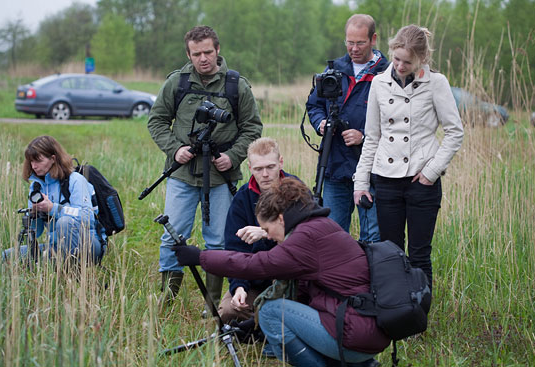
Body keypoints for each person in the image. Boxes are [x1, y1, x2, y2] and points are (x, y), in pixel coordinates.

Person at [172, 178, 388, 366]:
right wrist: (253, 325)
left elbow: (256, 264)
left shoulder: (305, 238)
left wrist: (201, 257)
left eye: (267, 229)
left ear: (282, 219)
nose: (269, 236)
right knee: (269, 313)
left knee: (270, 312)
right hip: (365, 332)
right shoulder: (320, 226)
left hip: (355, 337)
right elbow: (302, 293)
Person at [148, 25, 262, 307]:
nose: (203, 58)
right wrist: (175, 150)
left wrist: (233, 156)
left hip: (221, 175)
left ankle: (212, 303)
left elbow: (252, 128)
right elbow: (156, 121)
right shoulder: (177, 82)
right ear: (188, 54)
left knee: (219, 240)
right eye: (196, 53)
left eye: (208, 52)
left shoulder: (236, 85)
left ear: (218, 50)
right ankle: (167, 297)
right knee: (172, 234)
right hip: (182, 174)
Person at [353, 25, 464, 287]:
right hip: (386, 180)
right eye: (397, 58)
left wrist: (431, 171)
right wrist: (360, 182)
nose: (400, 66)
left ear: (421, 59)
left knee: (419, 255)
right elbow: (373, 137)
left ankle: (418, 315)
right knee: (391, 254)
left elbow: (454, 132)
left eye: (408, 61)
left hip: (421, 181)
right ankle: (396, 315)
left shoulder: (436, 83)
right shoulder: (379, 83)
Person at [306, 14, 388, 240]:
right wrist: (320, 123)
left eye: (360, 43)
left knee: (372, 237)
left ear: (373, 39)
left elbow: (396, 122)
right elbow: (314, 105)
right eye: (349, 42)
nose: (354, 48)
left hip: (371, 169)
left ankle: (370, 275)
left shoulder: (387, 74)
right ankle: (338, 276)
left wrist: (364, 136)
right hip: (335, 166)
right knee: (332, 236)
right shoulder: (333, 71)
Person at [218, 137, 295, 324]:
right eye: (259, 169)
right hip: (255, 280)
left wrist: (267, 232)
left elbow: (308, 239)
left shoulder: (296, 191)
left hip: (292, 281)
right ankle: (261, 320)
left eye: (270, 167)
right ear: (250, 168)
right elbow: (234, 251)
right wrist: (239, 287)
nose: (266, 174)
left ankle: (271, 321)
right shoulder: (242, 199)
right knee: (228, 312)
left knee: (299, 312)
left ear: (281, 163)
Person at [3, 135, 104, 263]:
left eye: (38, 161)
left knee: (65, 223)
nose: (34, 166)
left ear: (53, 159)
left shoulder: (75, 180)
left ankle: (71, 272)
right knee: (7, 256)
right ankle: (55, 264)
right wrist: (34, 214)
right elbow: (37, 232)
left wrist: (53, 208)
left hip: (89, 245)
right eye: (31, 162)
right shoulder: (37, 186)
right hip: (56, 247)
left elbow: (87, 217)